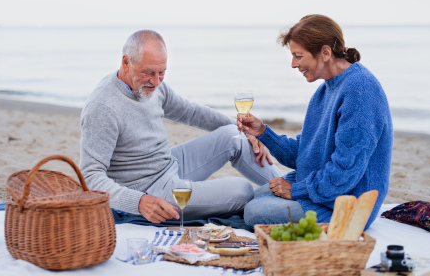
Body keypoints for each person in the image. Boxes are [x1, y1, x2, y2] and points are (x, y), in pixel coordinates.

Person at [79, 29, 283, 224]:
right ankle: (277, 204)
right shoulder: (102, 107)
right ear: (126, 62)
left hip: (170, 163)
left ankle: (291, 189)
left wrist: (246, 131)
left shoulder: (154, 85)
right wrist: (138, 202)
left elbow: (191, 112)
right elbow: (90, 176)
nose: (156, 81)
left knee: (234, 135)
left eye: (162, 72)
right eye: (149, 73)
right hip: (150, 190)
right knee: (242, 191)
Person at [241, 14, 392, 230]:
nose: (294, 64)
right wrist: (263, 132)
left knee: (254, 211)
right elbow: (305, 154)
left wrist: (295, 190)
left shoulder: (360, 91)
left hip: (346, 205)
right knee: (247, 200)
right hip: (321, 188)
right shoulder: (325, 90)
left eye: (298, 56)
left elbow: (344, 173)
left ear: (325, 52)